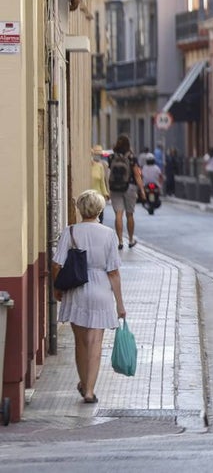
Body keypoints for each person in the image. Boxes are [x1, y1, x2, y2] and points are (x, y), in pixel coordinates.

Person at [51, 190, 126, 404]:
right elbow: (113, 272)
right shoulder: (109, 234)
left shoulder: (70, 231)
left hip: (76, 290)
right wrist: (120, 304)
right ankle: (90, 391)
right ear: (100, 210)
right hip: (101, 288)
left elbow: (56, 264)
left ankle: (84, 383)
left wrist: (57, 288)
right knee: (95, 343)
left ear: (80, 209)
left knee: (81, 343)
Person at [107, 135, 144, 250]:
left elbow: (109, 172)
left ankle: (120, 241)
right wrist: (142, 190)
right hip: (130, 187)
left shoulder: (111, 157)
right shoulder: (131, 157)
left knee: (118, 214)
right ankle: (131, 240)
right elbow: (137, 175)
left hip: (115, 188)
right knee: (129, 214)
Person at [90, 145, 110, 223]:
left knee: (100, 219)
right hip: (89, 197)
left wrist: (106, 193)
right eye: (96, 154)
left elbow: (103, 181)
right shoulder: (87, 166)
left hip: (99, 196)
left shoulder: (101, 166)